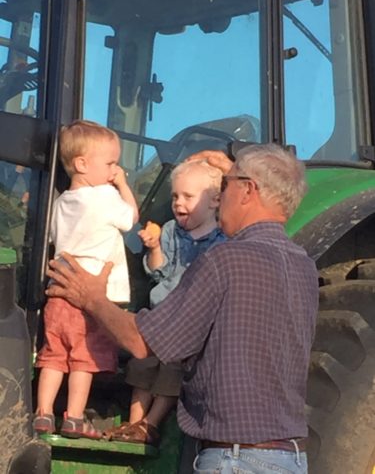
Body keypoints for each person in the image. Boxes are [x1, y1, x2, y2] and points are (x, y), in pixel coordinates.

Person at [46, 143, 319, 473]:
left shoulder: (224, 261)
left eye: (225, 185)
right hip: (289, 459)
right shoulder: (303, 267)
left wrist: (91, 298)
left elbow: (142, 343)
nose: (219, 196)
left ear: (248, 190)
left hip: (235, 461)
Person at [33, 120, 139, 439]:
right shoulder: (106, 196)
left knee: (53, 355)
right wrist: (122, 185)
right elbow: (131, 218)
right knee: (84, 359)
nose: (114, 169)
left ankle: (43, 414)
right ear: (81, 164)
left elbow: (53, 236)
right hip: (90, 296)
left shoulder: (61, 202)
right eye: (110, 163)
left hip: (58, 295)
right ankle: (75, 418)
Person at [120, 159, 226, 446]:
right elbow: (158, 271)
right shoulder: (169, 231)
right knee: (142, 363)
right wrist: (153, 248)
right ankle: (132, 424)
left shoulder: (223, 241)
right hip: (162, 312)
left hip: (189, 320)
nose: (179, 203)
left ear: (215, 200)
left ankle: (150, 424)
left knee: (172, 370)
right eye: (175, 196)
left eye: (188, 197)